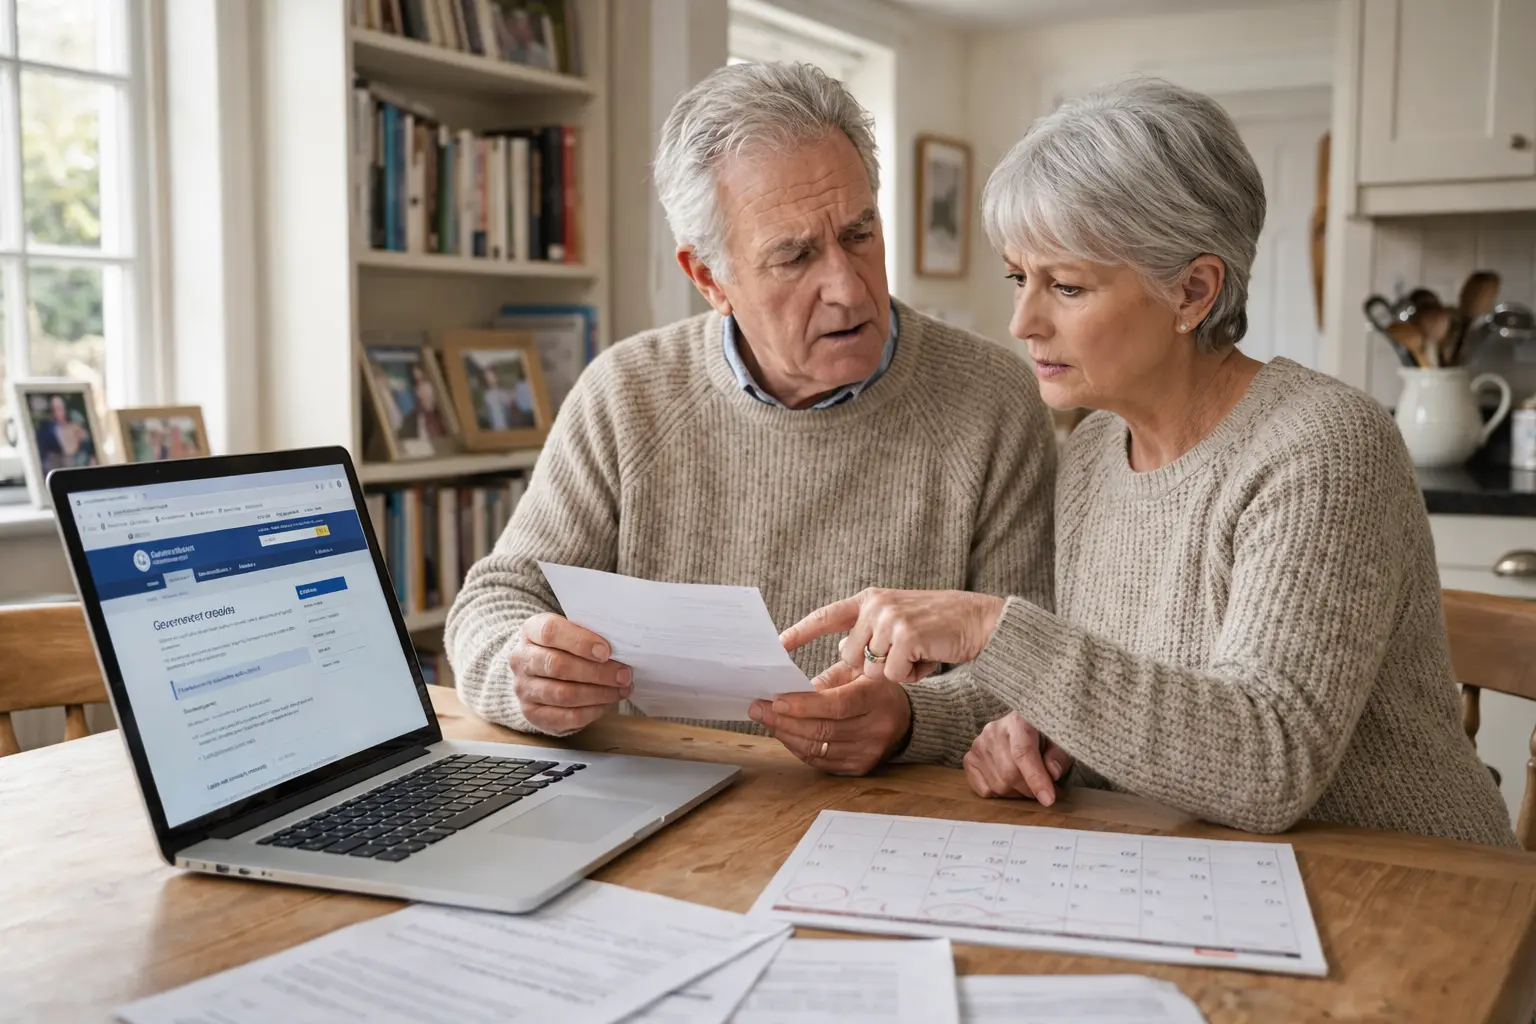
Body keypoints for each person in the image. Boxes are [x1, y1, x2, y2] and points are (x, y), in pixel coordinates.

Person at [780, 79, 1515, 846]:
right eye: (1018, 278)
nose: (1023, 321)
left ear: (1193, 292)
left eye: (1066, 286)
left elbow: (1267, 761)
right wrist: (914, 719)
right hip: (1201, 871)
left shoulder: (1324, 447)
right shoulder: (1095, 452)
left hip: (1413, 887)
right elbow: (1122, 695)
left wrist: (991, 626)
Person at [446, 61, 1057, 775]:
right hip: (667, 800)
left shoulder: (994, 401)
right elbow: (495, 599)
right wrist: (524, 673)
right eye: (795, 256)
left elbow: (1038, 665)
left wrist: (910, 721)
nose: (847, 287)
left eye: (859, 234)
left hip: (895, 819)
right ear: (709, 279)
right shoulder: (627, 393)